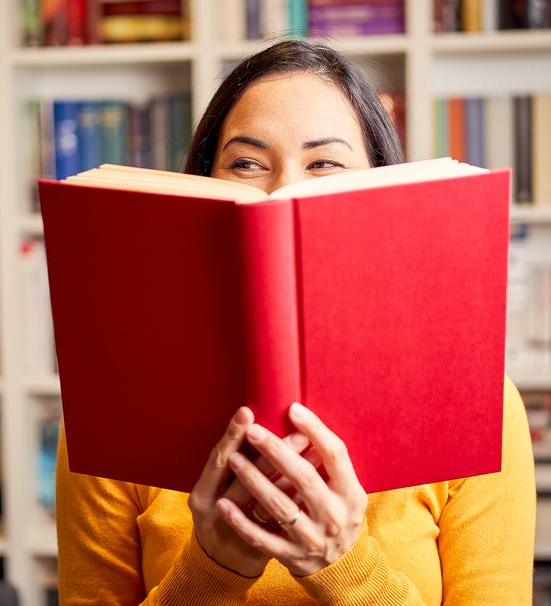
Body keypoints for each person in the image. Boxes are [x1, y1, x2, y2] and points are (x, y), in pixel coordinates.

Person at [55, 39, 536, 604]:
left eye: (325, 163)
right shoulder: (113, 416)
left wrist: (342, 563)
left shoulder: (482, 409)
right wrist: (212, 568)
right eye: (247, 163)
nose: (284, 191)